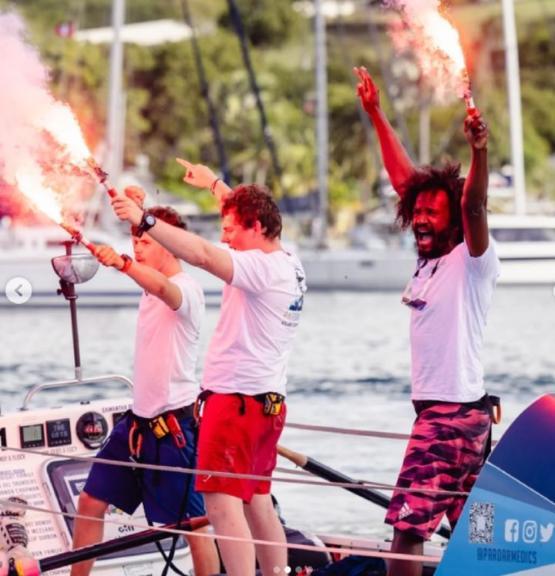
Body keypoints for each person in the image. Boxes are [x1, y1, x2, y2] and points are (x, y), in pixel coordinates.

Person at [108, 166, 306, 576]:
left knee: (220, 503)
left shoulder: (256, 268)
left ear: (254, 228)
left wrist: (144, 220)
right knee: (257, 500)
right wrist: (216, 185)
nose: (224, 237)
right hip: (267, 405)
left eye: (230, 229)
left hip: (234, 403)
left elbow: (199, 253)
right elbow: (248, 217)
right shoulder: (288, 262)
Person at [354, 67, 500, 576]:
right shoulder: (429, 257)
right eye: (416, 212)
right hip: (468, 421)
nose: (420, 218)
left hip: (448, 420)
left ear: (455, 220)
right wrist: (375, 114)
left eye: (432, 214)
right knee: (473, 534)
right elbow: (404, 179)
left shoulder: (471, 259)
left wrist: (479, 151)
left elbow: (475, 203)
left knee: (406, 533)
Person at [71, 191, 219, 576]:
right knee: (90, 502)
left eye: (146, 241)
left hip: (173, 431)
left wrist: (120, 262)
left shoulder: (186, 289)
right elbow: (147, 272)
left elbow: (161, 288)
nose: (137, 246)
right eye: (134, 240)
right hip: (136, 425)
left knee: (195, 527)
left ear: (170, 246)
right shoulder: (147, 277)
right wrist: (133, 207)